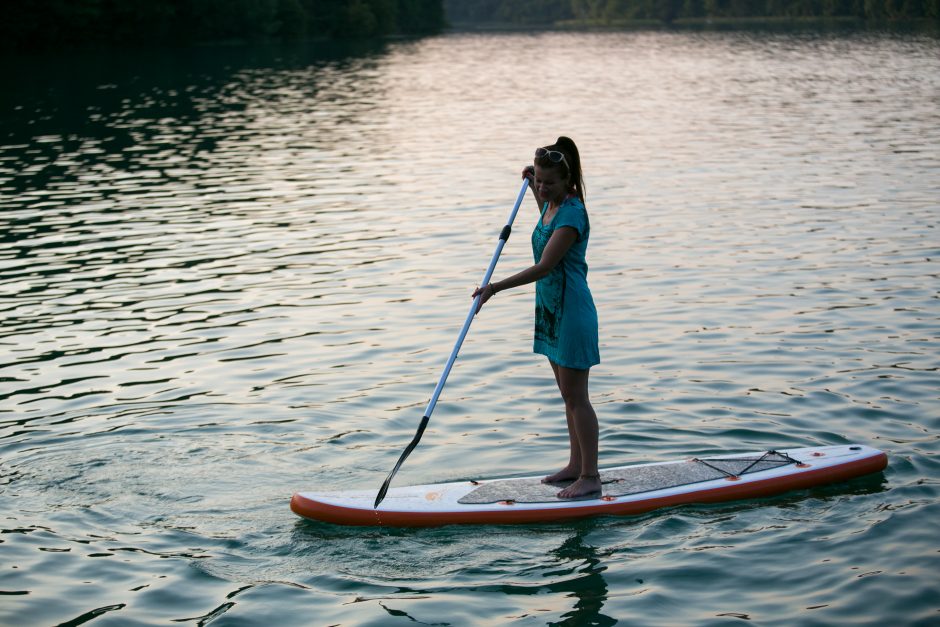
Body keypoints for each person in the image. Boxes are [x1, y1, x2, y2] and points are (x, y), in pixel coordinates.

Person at [473, 136, 601, 499]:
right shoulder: (550, 206)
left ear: (569, 181)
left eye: (549, 182)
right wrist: (533, 185)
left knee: (578, 398)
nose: (543, 188)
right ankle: (576, 465)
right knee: (566, 396)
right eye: (540, 181)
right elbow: (545, 224)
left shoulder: (573, 214)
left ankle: (591, 475)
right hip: (550, 312)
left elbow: (546, 265)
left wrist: (494, 288)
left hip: (572, 313)